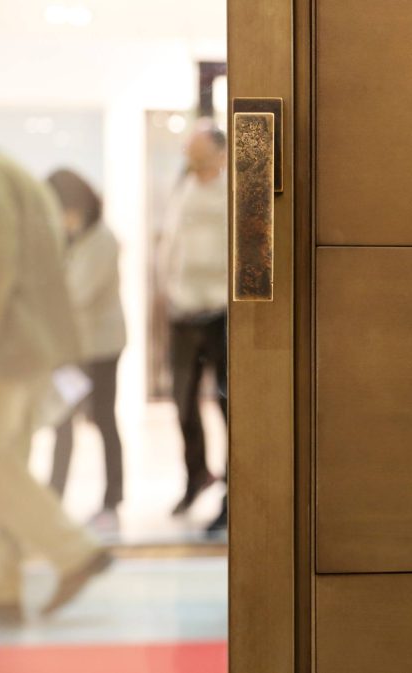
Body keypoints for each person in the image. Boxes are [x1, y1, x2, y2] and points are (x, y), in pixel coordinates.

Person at [0, 153, 112, 625]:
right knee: (8, 468)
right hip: (27, 346)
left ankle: (75, 552)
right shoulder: (15, 174)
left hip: (11, 347)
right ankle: (5, 593)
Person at [46, 169, 127, 532]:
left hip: (100, 349)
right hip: (73, 350)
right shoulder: (71, 237)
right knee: (61, 422)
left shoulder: (102, 240)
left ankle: (112, 500)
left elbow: (75, 294)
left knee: (103, 420)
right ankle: (53, 499)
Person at [160, 119, 228, 530]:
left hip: (221, 312)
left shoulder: (232, 191)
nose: (191, 157)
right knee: (183, 404)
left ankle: (231, 492)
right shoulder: (181, 188)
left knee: (227, 404)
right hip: (183, 311)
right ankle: (196, 476)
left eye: (198, 151)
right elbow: (172, 243)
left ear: (218, 153)